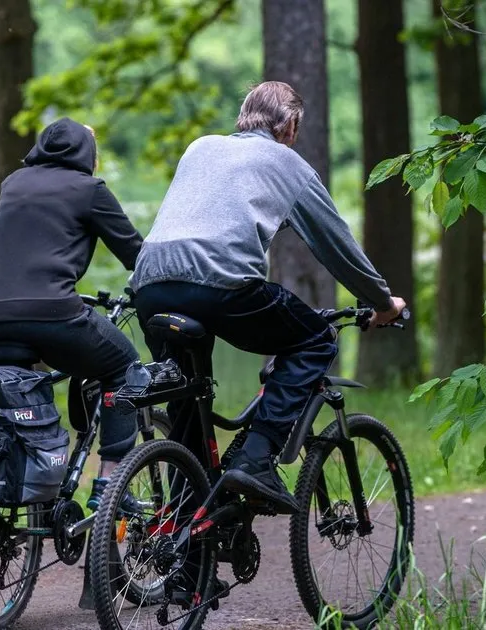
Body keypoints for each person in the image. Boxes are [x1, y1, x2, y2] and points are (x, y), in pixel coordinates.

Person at [130, 81, 407, 514]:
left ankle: (185, 563)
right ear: (291, 123)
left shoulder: (200, 148)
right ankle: (256, 458)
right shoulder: (288, 163)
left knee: (188, 411)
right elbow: (337, 247)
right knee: (314, 339)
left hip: (149, 285)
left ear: (244, 116)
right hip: (219, 285)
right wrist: (383, 302)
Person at [0, 117, 141, 510]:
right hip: (50, 313)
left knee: (23, 399)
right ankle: (111, 485)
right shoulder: (89, 190)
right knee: (124, 368)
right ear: (87, 155)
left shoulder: (14, 183)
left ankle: (13, 501)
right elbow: (134, 255)